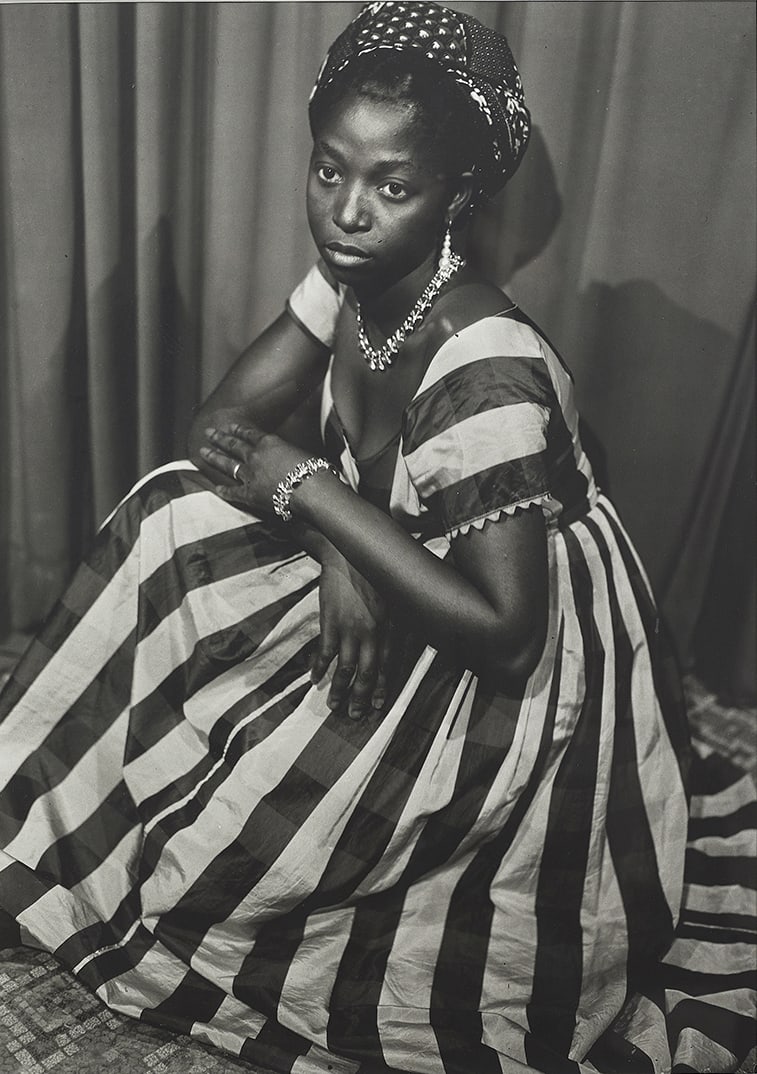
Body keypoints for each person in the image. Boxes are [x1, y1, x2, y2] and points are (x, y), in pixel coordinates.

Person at [0, 4, 694, 1072]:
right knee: (171, 505)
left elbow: (507, 633)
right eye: (330, 173)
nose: (348, 214)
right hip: (393, 558)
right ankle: (42, 806)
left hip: (512, 664)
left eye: (391, 187)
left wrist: (308, 490)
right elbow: (218, 433)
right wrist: (335, 540)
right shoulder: (354, 279)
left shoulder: (483, 363)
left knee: (238, 876)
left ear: (456, 196)